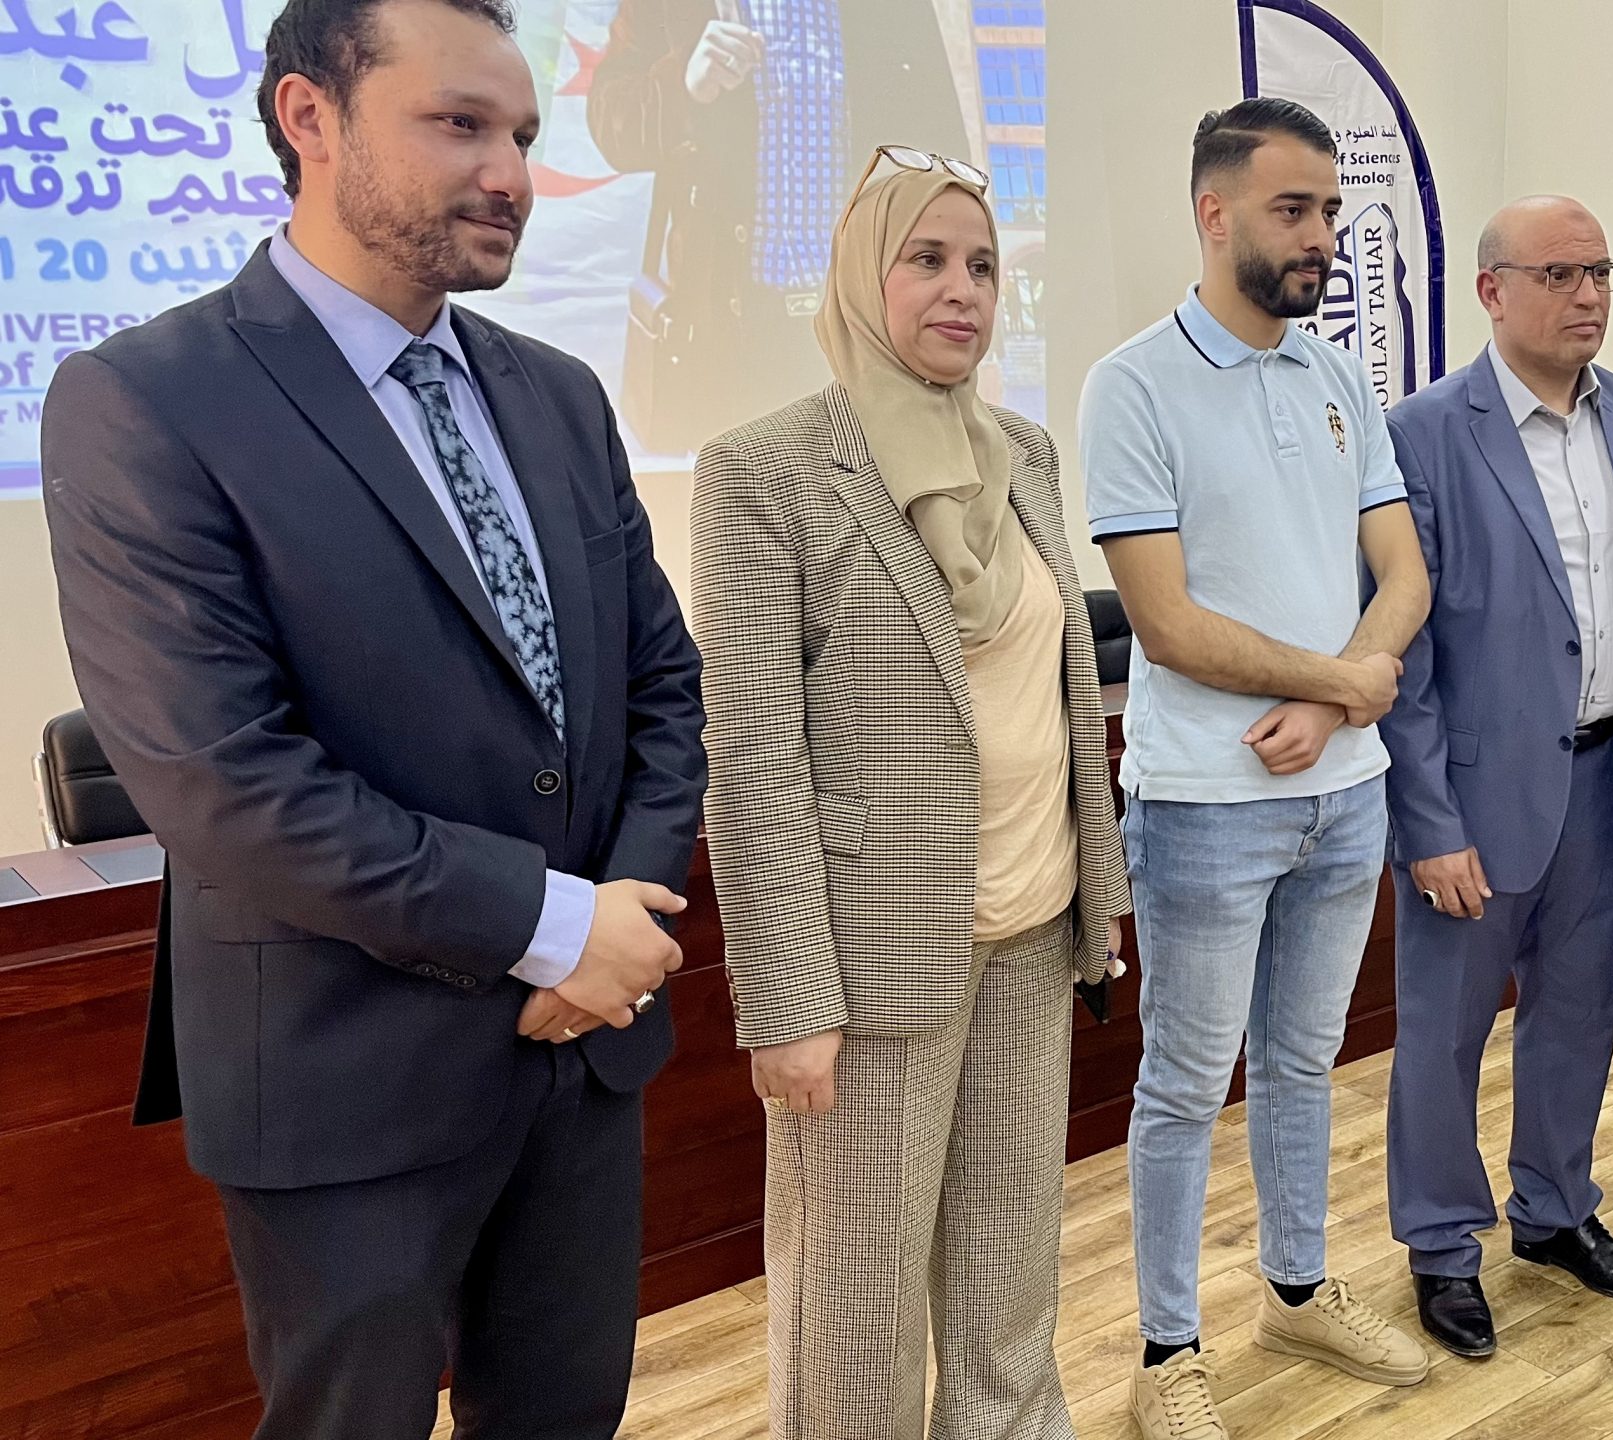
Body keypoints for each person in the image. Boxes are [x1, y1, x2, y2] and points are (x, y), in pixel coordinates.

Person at [40, 0, 708, 1434]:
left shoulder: (559, 396)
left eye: (522, 133)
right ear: (311, 118)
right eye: (459, 125)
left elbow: (661, 683)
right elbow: (225, 781)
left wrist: (624, 924)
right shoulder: (146, 402)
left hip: (585, 1052)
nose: (511, 173)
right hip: (346, 1077)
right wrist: (552, 925)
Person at [689, 149, 1132, 1440]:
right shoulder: (765, 471)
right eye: (926, 260)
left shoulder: (1024, 453)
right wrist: (787, 1004)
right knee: (855, 1309)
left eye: (982, 265)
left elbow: (1058, 697)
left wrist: (1096, 902)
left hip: (1031, 933)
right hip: (869, 969)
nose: (963, 290)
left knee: (1010, 1286)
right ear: (856, 277)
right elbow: (753, 757)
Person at [1080, 96, 1434, 1440]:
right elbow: (1166, 626)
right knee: (1183, 1084)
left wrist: (1337, 705)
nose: (1322, 235)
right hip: (1206, 807)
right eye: (1295, 209)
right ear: (1213, 212)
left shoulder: (1339, 377)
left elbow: (1404, 574)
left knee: (1303, 1062)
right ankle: (1167, 1353)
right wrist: (1342, 685)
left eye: (1332, 211)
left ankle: (1296, 1289)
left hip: (1345, 793)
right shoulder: (1131, 384)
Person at [1376, 196, 1613, 1358]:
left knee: (1577, 1012)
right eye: (1560, 274)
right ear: (1491, 290)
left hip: (1610, 775)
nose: (1587, 295)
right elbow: (1403, 652)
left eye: (1600, 273)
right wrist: (1426, 820)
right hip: (1474, 793)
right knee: (1445, 1032)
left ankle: (1557, 1209)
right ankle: (1440, 1244)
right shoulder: (1424, 432)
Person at [586, 0, 968, 452]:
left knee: (869, 490)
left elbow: (946, 158)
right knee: (735, 488)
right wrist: (683, 84)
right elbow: (611, 124)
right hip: (729, 328)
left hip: (866, 327)